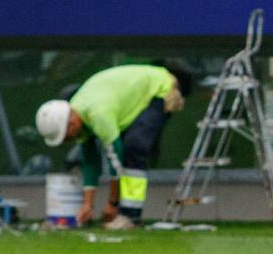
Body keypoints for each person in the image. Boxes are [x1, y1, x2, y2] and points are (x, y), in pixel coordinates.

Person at [35, 64, 186, 229]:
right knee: (128, 146)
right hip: (130, 101)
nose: (67, 140)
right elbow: (90, 162)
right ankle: (124, 213)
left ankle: (130, 217)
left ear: (71, 123)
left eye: (65, 136)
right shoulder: (79, 114)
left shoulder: (98, 115)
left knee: (133, 147)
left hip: (160, 88)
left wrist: (112, 203)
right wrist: (88, 205)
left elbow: (116, 160)